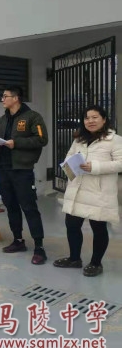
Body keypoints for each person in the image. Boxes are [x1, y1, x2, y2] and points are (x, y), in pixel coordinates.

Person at [54, 105, 122, 277]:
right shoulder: (79, 139)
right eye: (86, 118)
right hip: (77, 189)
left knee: (98, 227)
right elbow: (69, 156)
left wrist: (95, 167)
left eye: (94, 117)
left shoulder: (114, 140)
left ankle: (96, 263)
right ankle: (74, 259)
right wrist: (70, 165)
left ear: (104, 120)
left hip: (98, 191)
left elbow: (120, 163)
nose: (90, 121)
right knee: (72, 225)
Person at [0, 86, 49, 265]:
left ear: (15, 98)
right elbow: (2, 141)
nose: (2, 99)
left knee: (29, 207)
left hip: (22, 170)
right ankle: (18, 240)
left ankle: (39, 247)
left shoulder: (33, 117)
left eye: (5, 96)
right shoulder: (3, 119)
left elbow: (41, 139)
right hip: (3, 168)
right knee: (11, 206)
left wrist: (15, 143)